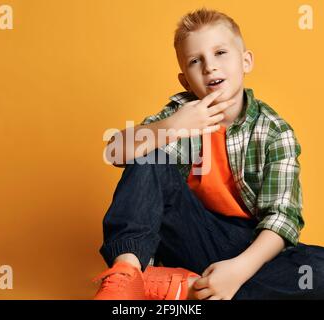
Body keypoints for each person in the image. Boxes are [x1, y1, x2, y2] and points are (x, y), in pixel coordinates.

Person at [93, 8, 324, 300]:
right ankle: (127, 275)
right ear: (185, 80)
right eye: (195, 60)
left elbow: (282, 219)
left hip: (249, 251)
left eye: (220, 53)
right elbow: (115, 151)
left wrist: (238, 271)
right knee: (148, 154)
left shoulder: (274, 131)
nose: (210, 67)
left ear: (245, 61)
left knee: (316, 269)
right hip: (191, 236)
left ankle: (190, 289)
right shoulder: (180, 116)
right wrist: (173, 126)